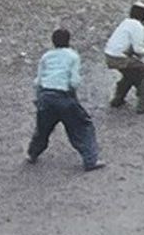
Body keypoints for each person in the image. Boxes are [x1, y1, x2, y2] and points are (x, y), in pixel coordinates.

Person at [28, 28, 104, 170]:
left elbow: (38, 81)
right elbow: (74, 82)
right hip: (63, 97)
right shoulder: (72, 56)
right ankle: (90, 160)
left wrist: (38, 98)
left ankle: (32, 153)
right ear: (69, 40)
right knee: (81, 127)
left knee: (43, 128)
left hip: (45, 96)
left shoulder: (46, 56)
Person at [104, 2, 144, 113]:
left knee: (131, 73)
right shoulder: (138, 27)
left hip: (109, 55)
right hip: (119, 58)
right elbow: (138, 49)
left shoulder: (125, 22)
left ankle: (118, 99)